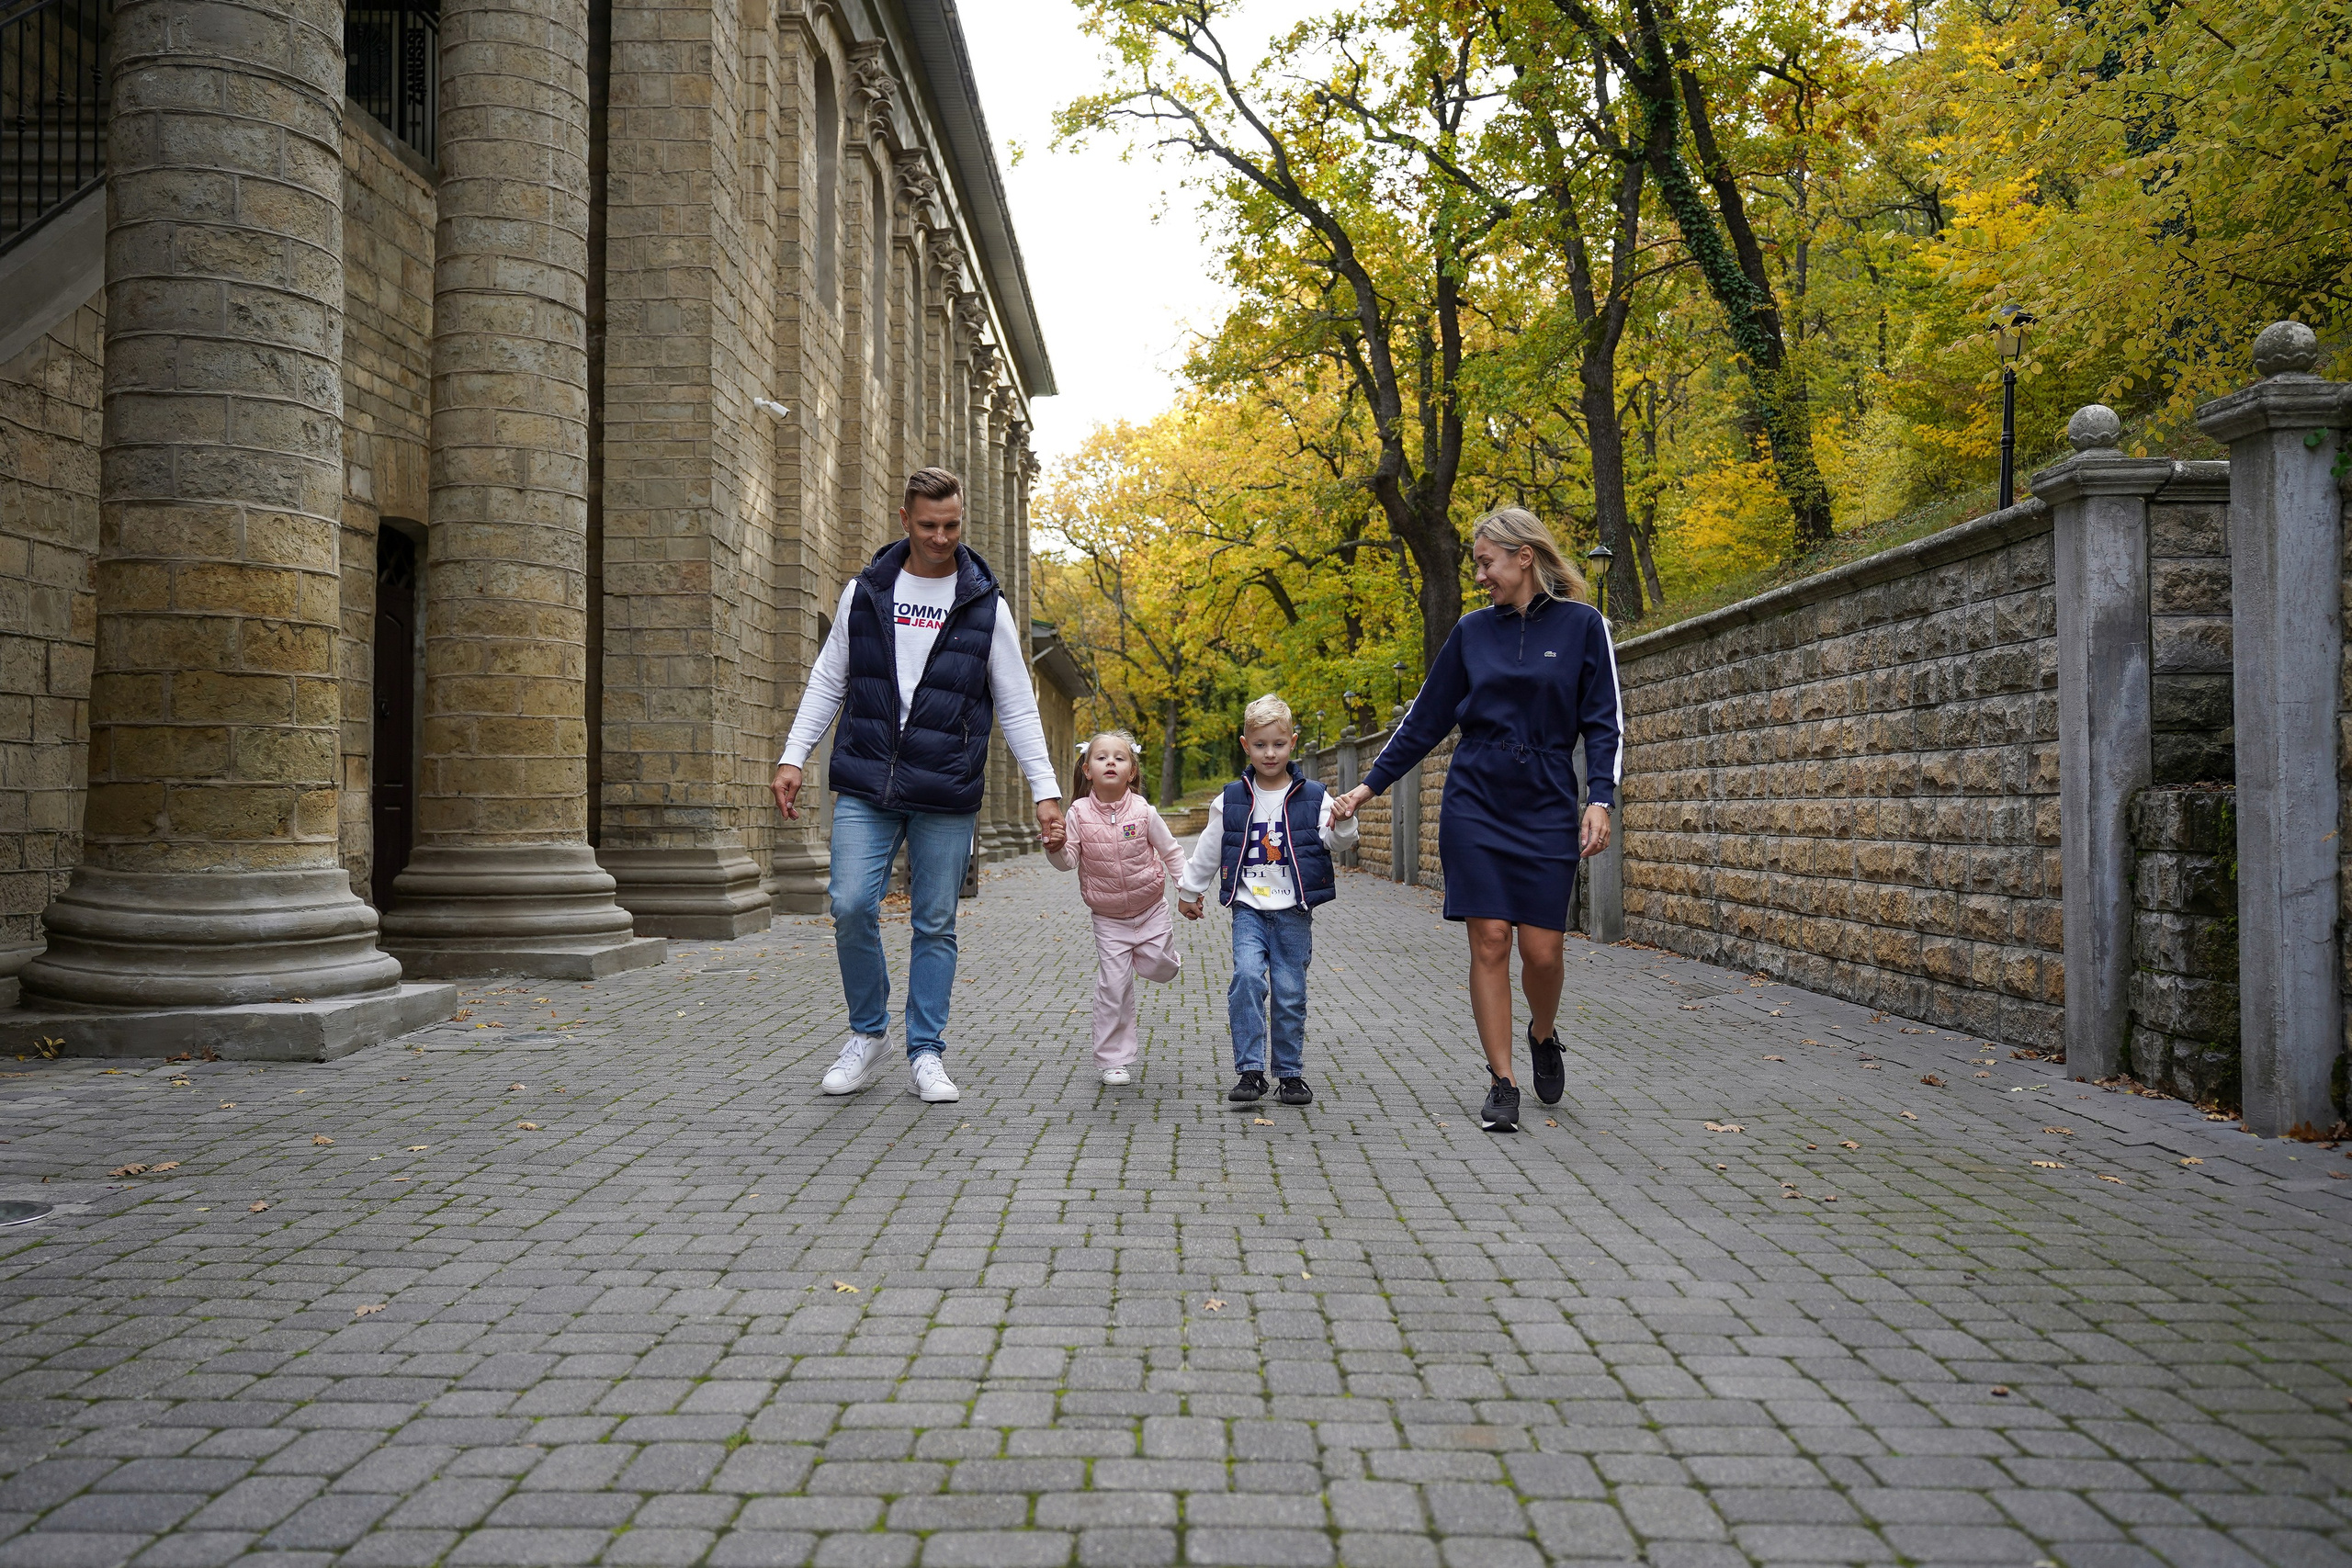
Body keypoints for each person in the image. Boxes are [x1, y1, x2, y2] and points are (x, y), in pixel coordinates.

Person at [771, 467, 1067, 1104]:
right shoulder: (868, 591)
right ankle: (866, 1032)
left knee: (934, 922)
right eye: (929, 525)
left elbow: (1016, 704)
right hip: (867, 780)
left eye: (952, 525)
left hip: (946, 788)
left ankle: (926, 1050)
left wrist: (1045, 790)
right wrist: (795, 754)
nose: (941, 536)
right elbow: (829, 679)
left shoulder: (985, 603)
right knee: (851, 903)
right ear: (904, 519)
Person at [1332, 508, 1621, 1134]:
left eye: (1486, 562)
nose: (1480, 576)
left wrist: (1601, 796)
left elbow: (1604, 721)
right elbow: (1425, 720)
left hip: (1546, 799)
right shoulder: (1470, 632)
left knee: (1542, 951)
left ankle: (1543, 1034)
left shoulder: (1583, 626)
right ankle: (1503, 1080)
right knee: (1490, 938)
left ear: (1524, 556)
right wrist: (1366, 787)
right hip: (1476, 799)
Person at [1177, 694, 1359, 1108]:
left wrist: (1345, 819)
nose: (1270, 753)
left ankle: (1290, 1075)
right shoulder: (1231, 799)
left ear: (1292, 742)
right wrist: (1190, 891)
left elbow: (1338, 841)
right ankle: (1251, 1071)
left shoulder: (1314, 796)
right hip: (1249, 909)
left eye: (1278, 744)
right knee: (1246, 979)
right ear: (1245, 745)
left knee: (1290, 992)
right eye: (1260, 745)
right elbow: (1210, 848)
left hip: (1294, 910)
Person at [1046, 731, 1188, 1087]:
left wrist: (1189, 889)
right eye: (1102, 757)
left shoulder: (1143, 811)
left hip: (1151, 908)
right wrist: (1056, 846)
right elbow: (1068, 861)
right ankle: (1114, 1059)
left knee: (1160, 967)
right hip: (1108, 918)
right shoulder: (1077, 813)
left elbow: (1171, 852)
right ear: (1087, 770)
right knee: (1114, 986)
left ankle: (1154, 957)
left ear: (1132, 772)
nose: (1111, 762)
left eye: (1119, 758)